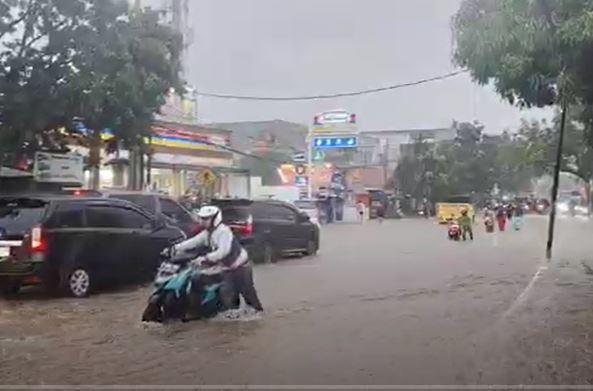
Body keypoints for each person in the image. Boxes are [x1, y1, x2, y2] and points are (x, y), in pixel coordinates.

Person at [172, 205, 263, 313]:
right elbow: (193, 242)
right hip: (225, 267)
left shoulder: (224, 232)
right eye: (202, 218)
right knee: (224, 294)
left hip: (240, 266)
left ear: (215, 218)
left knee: (248, 294)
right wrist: (175, 248)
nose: (203, 221)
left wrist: (205, 258)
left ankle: (257, 314)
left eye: (206, 218)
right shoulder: (208, 232)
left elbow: (223, 252)